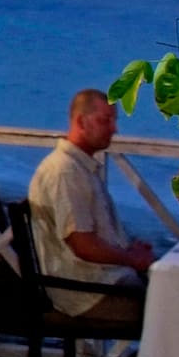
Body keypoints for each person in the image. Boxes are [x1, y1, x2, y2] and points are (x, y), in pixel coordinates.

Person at [27, 88, 156, 319]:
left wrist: (128, 249)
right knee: (173, 305)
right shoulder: (65, 171)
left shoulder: (81, 166)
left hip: (100, 280)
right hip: (85, 293)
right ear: (81, 121)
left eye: (114, 121)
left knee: (175, 291)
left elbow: (95, 235)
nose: (114, 129)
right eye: (105, 120)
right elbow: (83, 244)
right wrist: (131, 259)